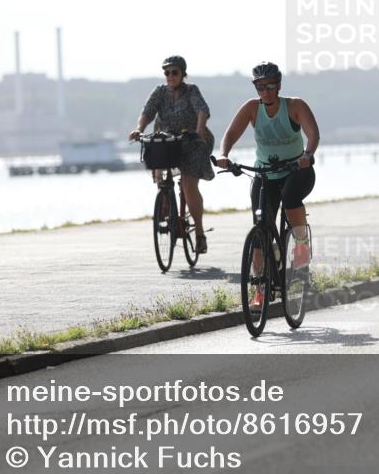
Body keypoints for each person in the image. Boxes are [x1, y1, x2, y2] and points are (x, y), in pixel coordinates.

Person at [215, 61, 320, 309]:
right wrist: (224, 155)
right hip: (264, 172)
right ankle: (261, 289)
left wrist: (307, 154)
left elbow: (313, 134)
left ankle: (302, 246)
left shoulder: (294, 106)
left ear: (279, 85)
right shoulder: (251, 108)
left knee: (291, 197)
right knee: (260, 227)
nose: (265, 91)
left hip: (297, 169)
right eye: (260, 87)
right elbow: (230, 135)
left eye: (270, 86)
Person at [128, 56, 214, 253]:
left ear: (183, 74)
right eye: (167, 73)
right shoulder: (159, 92)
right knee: (159, 170)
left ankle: (199, 234)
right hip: (168, 140)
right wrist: (139, 128)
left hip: (193, 141)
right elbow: (147, 112)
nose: (170, 76)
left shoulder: (192, 91)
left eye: (174, 72)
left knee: (188, 183)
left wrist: (200, 129)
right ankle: (165, 202)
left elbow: (202, 110)